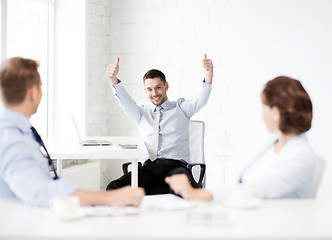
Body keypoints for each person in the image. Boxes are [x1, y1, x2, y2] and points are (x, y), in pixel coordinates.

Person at [0, 57, 144, 207]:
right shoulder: (12, 140)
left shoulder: (17, 131)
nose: (42, 95)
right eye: (41, 88)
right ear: (32, 92)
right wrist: (109, 198)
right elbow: (41, 191)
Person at [166, 76, 317, 200]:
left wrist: (195, 193)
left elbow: (255, 190)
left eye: (264, 109)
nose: (262, 116)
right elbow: (242, 182)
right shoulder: (272, 141)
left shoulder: (302, 157)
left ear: (276, 113)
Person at [105, 54, 214, 195]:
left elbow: (201, 99)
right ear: (145, 90)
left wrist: (208, 75)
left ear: (166, 86)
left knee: (180, 192)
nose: (154, 93)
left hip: (176, 168)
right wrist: (113, 79)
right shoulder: (141, 113)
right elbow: (124, 101)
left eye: (158, 87)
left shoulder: (181, 109)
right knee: (113, 188)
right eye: (149, 89)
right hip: (149, 169)